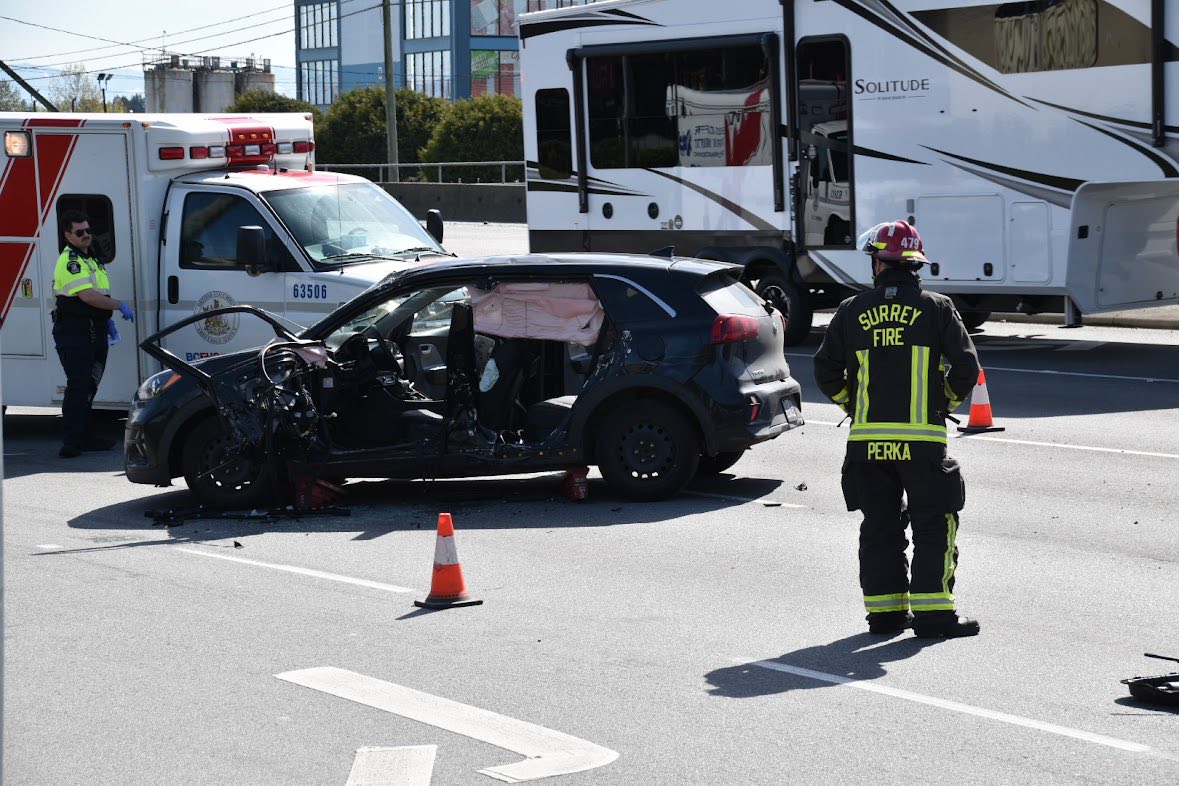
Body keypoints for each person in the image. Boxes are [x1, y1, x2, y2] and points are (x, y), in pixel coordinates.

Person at [813, 220, 982, 638]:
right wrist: (941, 403)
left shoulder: (852, 310)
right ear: (914, 263)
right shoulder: (937, 308)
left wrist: (853, 404)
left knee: (880, 526)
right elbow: (967, 368)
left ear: (878, 264)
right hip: (921, 441)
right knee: (933, 524)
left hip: (868, 445)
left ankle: (885, 616)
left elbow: (825, 369)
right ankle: (934, 616)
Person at [51, 210, 135, 458]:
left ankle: (85, 437)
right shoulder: (70, 261)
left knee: (89, 384)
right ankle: (71, 442)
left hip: (92, 330)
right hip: (75, 332)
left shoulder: (91, 258)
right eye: (80, 232)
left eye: (88, 230)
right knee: (78, 386)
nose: (86, 235)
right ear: (68, 235)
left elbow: (97, 295)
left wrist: (105, 320)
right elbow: (87, 296)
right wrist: (118, 305)